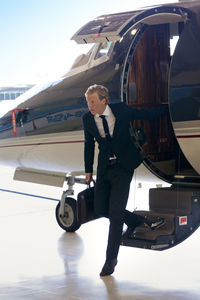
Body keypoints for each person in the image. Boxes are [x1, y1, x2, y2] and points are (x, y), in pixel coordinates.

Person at [82, 84, 166, 276]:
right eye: (88, 102)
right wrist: (88, 171)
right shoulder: (87, 119)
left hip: (123, 167)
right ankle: (135, 220)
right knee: (102, 209)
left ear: (104, 100)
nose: (90, 106)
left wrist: (171, 108)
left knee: (115, 214)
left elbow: (147, 116)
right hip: (104, 169)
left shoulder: (122, 111)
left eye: (93, 102)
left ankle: (110, 260)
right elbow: (89, 145)